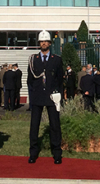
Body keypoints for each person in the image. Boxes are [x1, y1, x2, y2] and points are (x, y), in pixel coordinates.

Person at [27, 30, 63, 164]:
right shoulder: (33, 59)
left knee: (55, 125)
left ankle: (57, 153)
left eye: (45, 41)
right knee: (34, 126)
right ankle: (33, 153)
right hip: (37, 96)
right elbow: (30, 80)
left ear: (49, 43)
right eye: (41, 42)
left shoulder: (57, 60)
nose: (43, 43)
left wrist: (59, 96)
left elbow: (60, 80)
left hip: (52, 96)